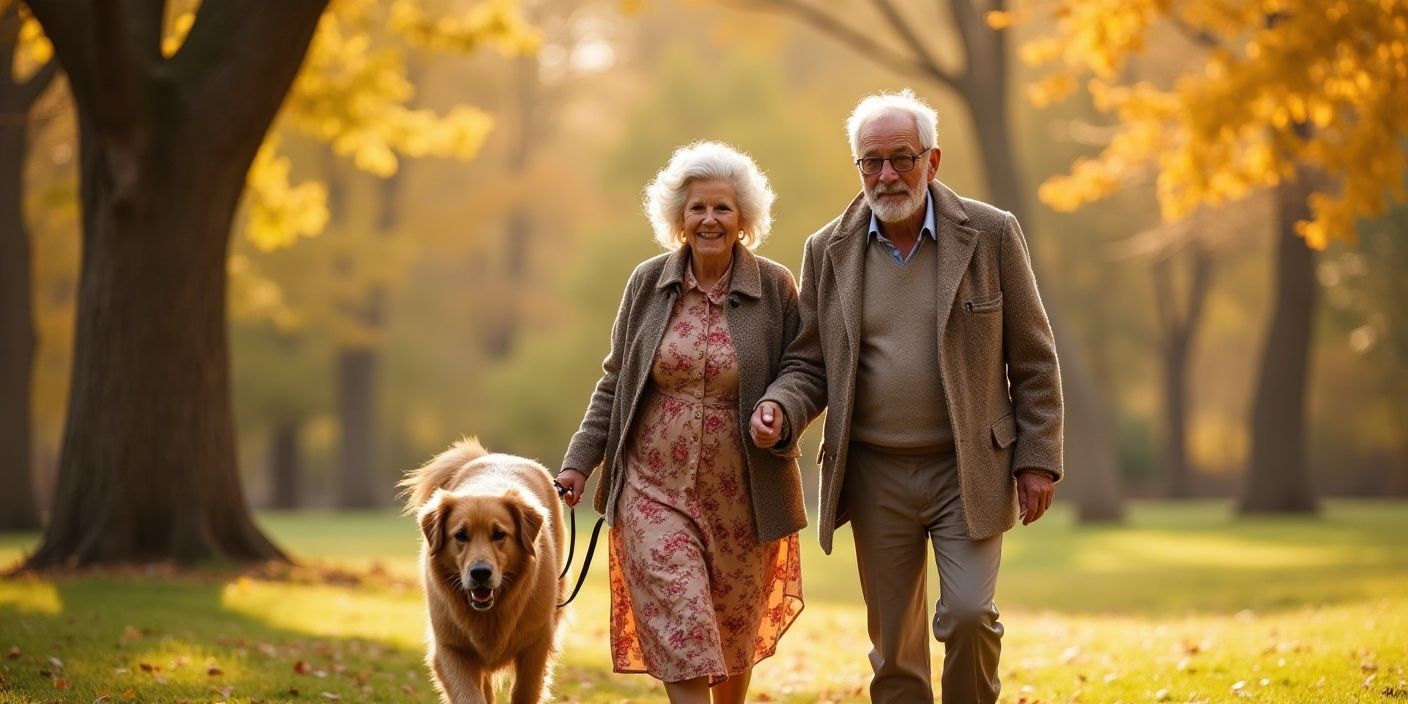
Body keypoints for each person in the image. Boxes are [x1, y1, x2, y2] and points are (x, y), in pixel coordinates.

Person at [749, 89, 1063, 704]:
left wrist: (1037, 458)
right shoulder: (827, 249)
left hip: (966, 467)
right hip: (875, 472)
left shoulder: (992, 233)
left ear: (932, 160)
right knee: (895, 649)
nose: (887, 175)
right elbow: (809, 362)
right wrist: (781, 408)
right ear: (858, 167)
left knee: (969, 615)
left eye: (902, 158)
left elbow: (1033, 358)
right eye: (872, 162)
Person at [557, 141, 806, 704]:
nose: (709, 219)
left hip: (743, 494)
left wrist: (780, 406)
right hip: (652, 488)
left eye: (722, 207)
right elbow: (616, 380)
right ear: (679, 217)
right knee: (683, 622)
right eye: (698, 208)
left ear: (743, 218)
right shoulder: (648, 283)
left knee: (733, 630)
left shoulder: (773, 287)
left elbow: (803, 367)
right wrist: (579, 462)